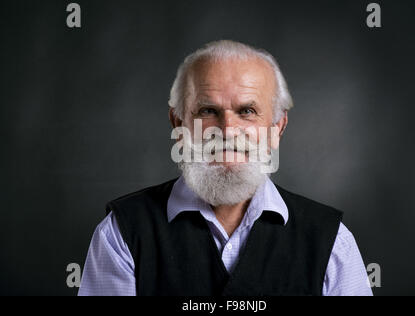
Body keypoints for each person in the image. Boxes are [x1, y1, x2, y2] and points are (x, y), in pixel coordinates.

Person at [78, 40, 373, 296]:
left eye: (247, 111)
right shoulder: (121, 235)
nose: (228, 130)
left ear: (276, 128)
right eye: (208, 111)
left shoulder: (331, 241)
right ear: (179, 123)